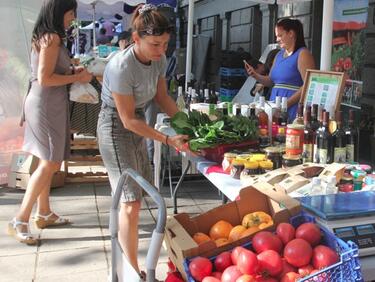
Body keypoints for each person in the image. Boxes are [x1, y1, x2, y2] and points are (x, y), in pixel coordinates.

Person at [96, 4, 190, 279]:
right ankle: (132, 271)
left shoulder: (158, 59)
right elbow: (126, 120)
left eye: (165, 44)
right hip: (115, 125)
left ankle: (133, 268)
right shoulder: (120, 66)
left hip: (137, 122)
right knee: (130, 201)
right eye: (154, 44)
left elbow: (162, 98)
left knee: (140, 194)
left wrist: (189, 125)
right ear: (136, 39)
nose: (161, 50)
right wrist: (166, 138)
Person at [8, 0, 92, 245]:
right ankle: (20, 219)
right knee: (50, 163)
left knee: (46, 160)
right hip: (45, 105)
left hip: (45, 104)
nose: (73, 18)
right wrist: (80, 77)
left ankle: (43, 212)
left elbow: (46, 74)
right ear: (60, 12)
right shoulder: (52, 37)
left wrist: (72, 73)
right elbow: (45, 78)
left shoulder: (45, 36)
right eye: (71, 12)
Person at [245, 18, 315, 120]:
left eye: (280, 35)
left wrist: (286, 104)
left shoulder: (303, 54)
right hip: (276, 106)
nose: (277, 39)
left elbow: (308, 85)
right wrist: (255, 75)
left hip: (293, 107)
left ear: (291, 33)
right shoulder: (279, 54)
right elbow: (271, 81)